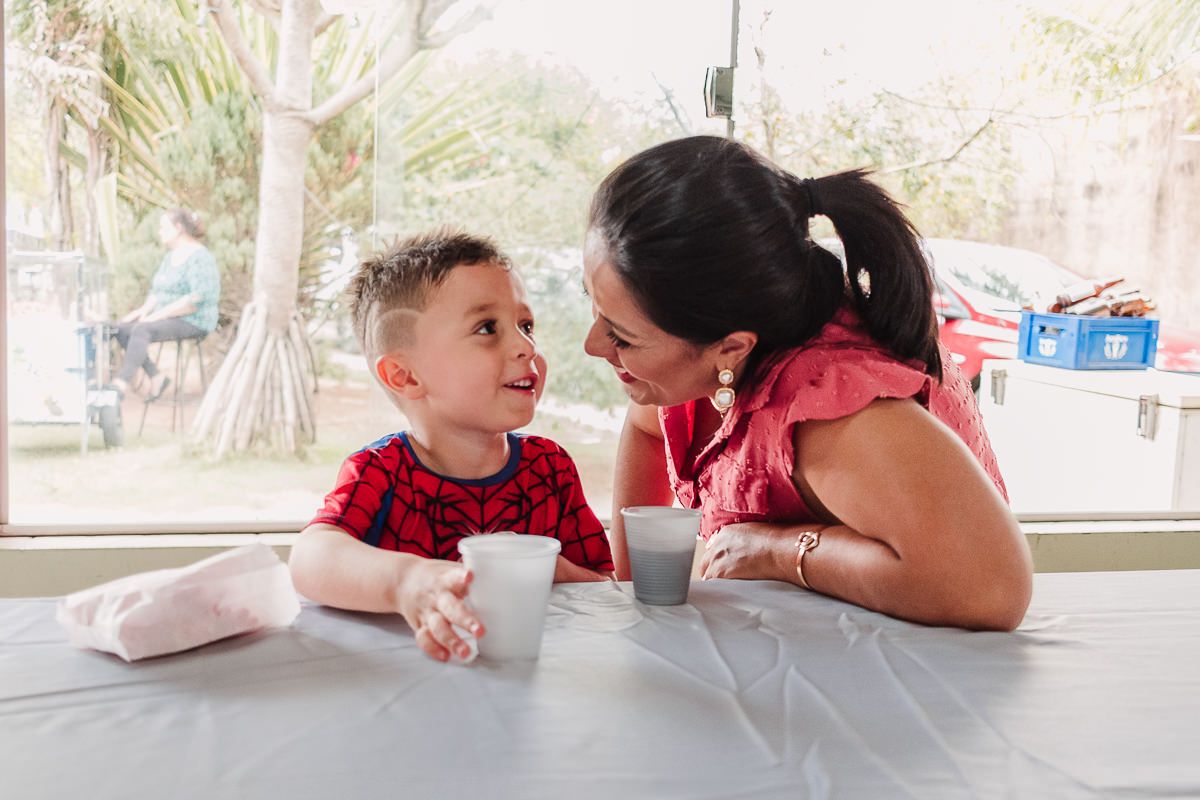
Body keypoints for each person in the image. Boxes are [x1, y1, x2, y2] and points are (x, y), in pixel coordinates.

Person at [583, 136, 1032, 632]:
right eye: (596, 307)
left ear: (730, 348)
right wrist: (635, 593)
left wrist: (775, 550)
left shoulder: (835, 406)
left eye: (621, 336)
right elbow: (651, 427)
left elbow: (991, 589)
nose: (592, 345)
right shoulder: (701, 360)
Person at [289, 229, 614, 662]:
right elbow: (311, 559)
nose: (525, 346)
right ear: (405, 377)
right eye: (487, 328)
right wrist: (407, 581)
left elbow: (609, 591)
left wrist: (555, 573)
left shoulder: (550, 468)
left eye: (526, 325)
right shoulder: (381, 471)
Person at [111, 208, 221, 399]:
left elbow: (194, 302)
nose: (159, 232)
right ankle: (156, 376)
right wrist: (141, 312)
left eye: (163, 227)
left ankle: (120, 384)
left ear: (178, 229)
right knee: (121, 328)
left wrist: (154, 317)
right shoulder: (170, 257)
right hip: (168, 316)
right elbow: (157, 291)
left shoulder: (200, 257)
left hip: (194, 319)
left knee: (142, 330)